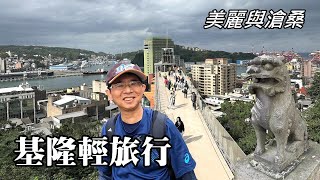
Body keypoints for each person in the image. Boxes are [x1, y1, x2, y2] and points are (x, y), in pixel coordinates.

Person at [98, 61, 197, 180]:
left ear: (143, 87)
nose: (128, 90)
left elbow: (186, 174)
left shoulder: (162, 126)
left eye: (134, 83)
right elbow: (105, 174)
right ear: (109, 93)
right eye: (119, 85)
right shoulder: (109, 129)